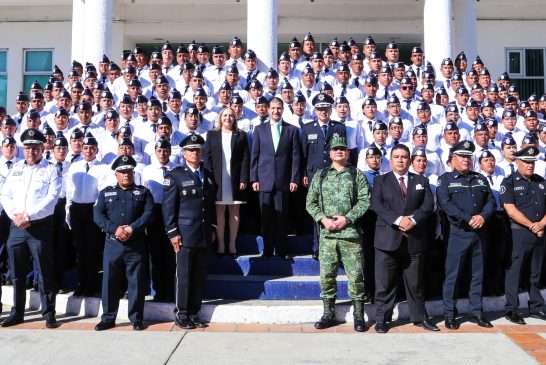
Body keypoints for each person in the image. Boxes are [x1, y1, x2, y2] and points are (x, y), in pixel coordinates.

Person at [306, 135, 370, 332]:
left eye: (342, 148)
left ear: (348, 152)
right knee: (326, 276)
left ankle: (359, 315)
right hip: (328, 235)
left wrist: (347, 218)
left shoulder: (356, 174)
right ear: (330, 153)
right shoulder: (321, 175)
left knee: (356, 277)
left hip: (350, 235)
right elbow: (311, 202)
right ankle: (328, 313)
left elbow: (365, 200)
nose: (339, 151)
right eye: (335, 149)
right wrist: (323, 219)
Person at [371, 144, 437, 333]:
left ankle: (420, 318)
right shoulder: (381, 181)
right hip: (387, 240)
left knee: (416, 283)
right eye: (396, 156)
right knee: (384, 284)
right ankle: (382, 319)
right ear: (390, 160)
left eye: (404, 157)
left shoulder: (421, 180)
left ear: (409, 160)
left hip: (414, 239)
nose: (400, 160)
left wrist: (413, 220)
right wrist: (399, 220)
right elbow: (377, 204)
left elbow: (428, 205)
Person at [0, 128, 61, 328]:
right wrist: (17, 217)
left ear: (42, 148)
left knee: (44, 272)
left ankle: (48, 313)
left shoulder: (51, 169)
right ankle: (17, 312)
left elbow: (52, 199)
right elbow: (5, 195)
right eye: (27, 148)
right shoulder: (16, 168)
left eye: (35, 148)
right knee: (16, 273)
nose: (30, 152)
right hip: (17, 228)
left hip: (39, 227)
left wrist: (29, 216)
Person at [436, 140, 496, 330]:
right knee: (453, 275)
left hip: (480, 233)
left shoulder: (480, 178)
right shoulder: (445, 179)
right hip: (458, 232)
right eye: (462, 156)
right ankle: (449, 314)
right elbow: (446, 204)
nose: (466, 160)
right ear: (453, 159)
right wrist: (469, 218)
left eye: (468, 156)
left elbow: (491, 202)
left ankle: (476, 312)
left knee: (478, 274)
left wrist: (482, 217)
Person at [162, 134, 217, 329]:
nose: (195, 153)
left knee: (199, 274)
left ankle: (194, 312)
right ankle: (182, 313)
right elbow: (169, 208)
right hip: (184, 234)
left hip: (203, 233)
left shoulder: (208, 175)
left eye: (197, 150)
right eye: (191, 150)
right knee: (184, 275)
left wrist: (213, 227)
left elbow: (210, 205)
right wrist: (172, 232)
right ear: (184, 153)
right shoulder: (175, 175)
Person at [93, 155, 153, 331]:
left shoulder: (143, 192)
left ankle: (136, 318)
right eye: (122, 172)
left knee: (136, 283)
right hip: (113, 245)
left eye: (129, 171)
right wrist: (115, 229)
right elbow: (97, 215)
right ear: (116, 174)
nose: (126, 175)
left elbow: (149, 214)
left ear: (133, 172)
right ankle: (108, 318)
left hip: (136, 245)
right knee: (110, 282)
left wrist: (131, 228)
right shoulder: (106, 193)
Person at [250, 97, 301, 259]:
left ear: (283, 109)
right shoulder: (259, 129)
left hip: (283, 180)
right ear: (267, 109)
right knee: (266, 217)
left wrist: (294, 179)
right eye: (272, 108)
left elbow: (295, 157)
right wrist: (254, 178)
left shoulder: (291, 130)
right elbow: (255, 156)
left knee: (282, 216)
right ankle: (267, 249)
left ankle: (282, 250)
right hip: (264, 179)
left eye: (278, 108)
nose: (275, 111)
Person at [500, 146, 546, 325]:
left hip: (540, 232)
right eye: (526, 162)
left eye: (532, 162)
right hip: (519, 233)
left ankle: (536, 306)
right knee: (515, 272)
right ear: (517, 162)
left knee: (536, 272)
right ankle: (511, 309)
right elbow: (510, 209)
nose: (530, 165)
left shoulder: (540, 181)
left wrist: (541, 224)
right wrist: (532, 225)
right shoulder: (509, 182)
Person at [301, 93, 346, 260]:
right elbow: (303, 154)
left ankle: (335, 247)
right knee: (318, 212)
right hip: (315, 176)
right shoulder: (308, 128)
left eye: (326, 108)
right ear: (315, 110)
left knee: (336, 209)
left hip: (335, 175)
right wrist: (304, 174)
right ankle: (318, 247)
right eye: (320, 109)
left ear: (330, 109)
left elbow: (343, 152)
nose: (323, 112)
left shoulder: (339, 128)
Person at [203, 107, 250, 257]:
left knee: (234, 211)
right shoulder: (212, 135)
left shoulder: (241, 135)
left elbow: (245, 158)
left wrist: (244, 178)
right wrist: (209, 178)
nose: (228, 118)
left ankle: (232, 244)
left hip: (235, 179)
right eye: (225, 115)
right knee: (220, 212)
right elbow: (207, 157)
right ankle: (221, 244)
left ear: (235, 118)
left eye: (231, 116)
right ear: (220, 118)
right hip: (218, 179)